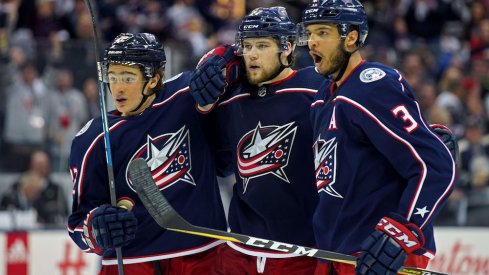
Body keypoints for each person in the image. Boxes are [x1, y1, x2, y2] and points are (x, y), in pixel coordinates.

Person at [298, 1, 456, 274]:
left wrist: (403, 232)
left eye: (323, 32)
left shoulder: (373, 85)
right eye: (310, 33)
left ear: (351, 38)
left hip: (379, 256)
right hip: (335, 253)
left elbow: (435, 165)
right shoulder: (323, 96)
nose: (312, 42)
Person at [67, 33, 227, 274]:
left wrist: (219, 63)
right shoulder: (93, 138)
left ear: (153, 79)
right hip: (132, 263)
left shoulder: (186, 96)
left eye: (128, 77)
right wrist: (97, 228)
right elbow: (78, 226)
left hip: (202, 257)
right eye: (112, 77)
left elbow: (233, 56)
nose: (117, 88)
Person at [189, 7, 325, 274]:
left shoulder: (316, 87)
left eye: (262, 45)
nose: (251, 54)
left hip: (303, 250)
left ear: (286, 48)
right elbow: (222, 165)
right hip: (241, 247)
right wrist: (205, 109)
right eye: (247, 45)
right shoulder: (233, 98)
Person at [0, 150, 68, 227]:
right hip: (17, 226)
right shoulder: (17, 186)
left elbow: (64, 213)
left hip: (46, 228)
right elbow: (5, 208)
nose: (43, 167)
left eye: (45, 163)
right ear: (31, 165)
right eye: (39, 164)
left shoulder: (56, 189)